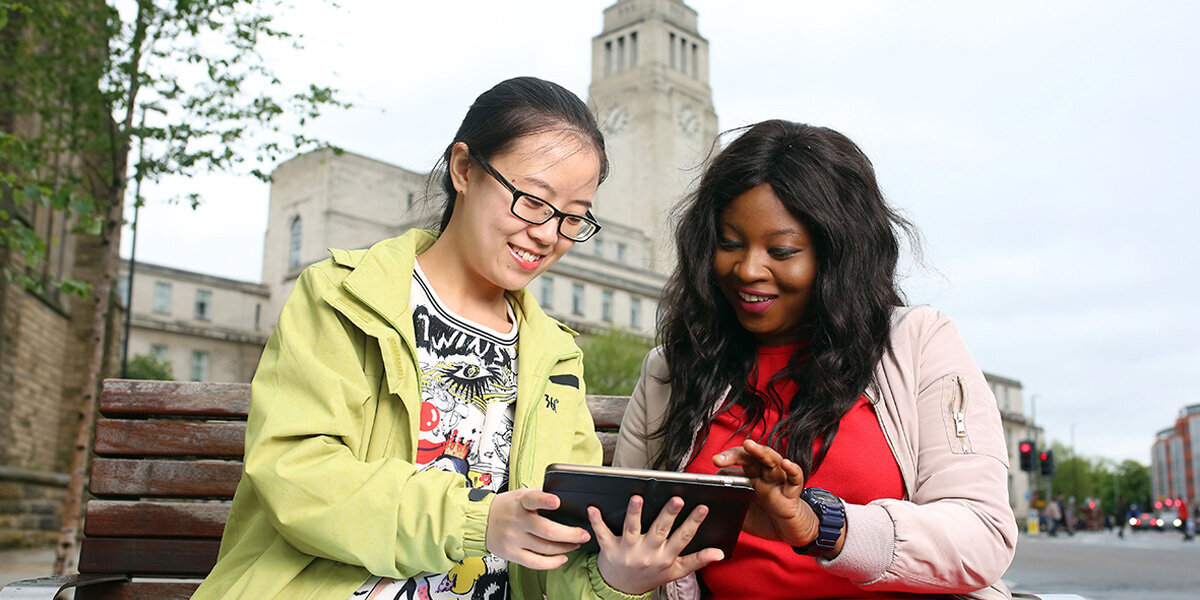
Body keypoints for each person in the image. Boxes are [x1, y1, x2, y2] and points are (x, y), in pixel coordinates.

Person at [192, 76, 718, 600]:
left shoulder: (556, 355)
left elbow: (558, 554)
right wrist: (478, 522)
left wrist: (613, 580)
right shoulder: (343, 297)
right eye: (534, 201)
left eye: (573, 219)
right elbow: (297, 474)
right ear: (464, 169)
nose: (548, 234)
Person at [613, 120, 1018, 599]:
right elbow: (625, 540)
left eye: (781, 251)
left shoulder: (918, 343)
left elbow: (983, 536)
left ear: (839, 254)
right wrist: (624, 565)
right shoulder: (671, 370)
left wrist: (819, 525)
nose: (747, 269)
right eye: (730, 243)